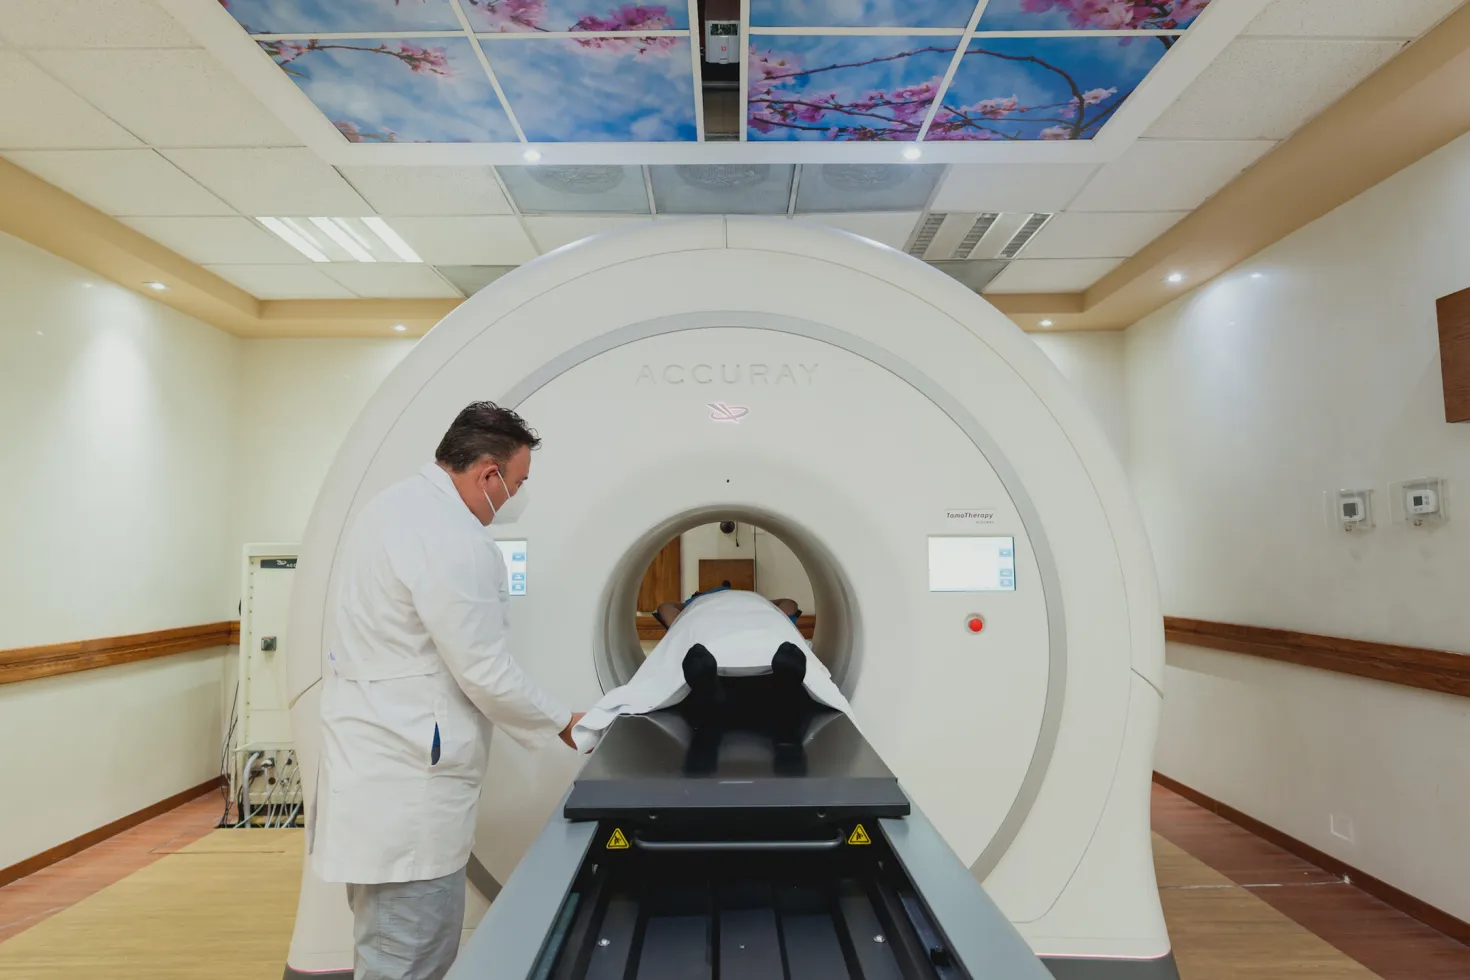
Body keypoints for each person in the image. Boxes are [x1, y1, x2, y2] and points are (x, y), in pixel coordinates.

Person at [311, 401, 585, 980]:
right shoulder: (449, 536)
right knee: (408, 958)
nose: (515, 496)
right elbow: (483, 668)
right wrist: (564, 721)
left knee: (392, 950)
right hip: (408, 792)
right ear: (487, 473)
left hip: (381, 769)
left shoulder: (392, 508)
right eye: (516, 483)